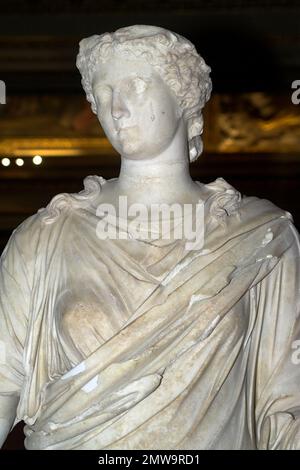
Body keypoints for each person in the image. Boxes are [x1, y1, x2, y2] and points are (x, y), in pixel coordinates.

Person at [0, 25, 299, 450]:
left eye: (135, 86)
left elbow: (285, 403)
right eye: (102, 94)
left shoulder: (261, 236)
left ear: (182, 96)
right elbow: (3, 384)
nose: (116, 107)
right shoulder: (44, 238)